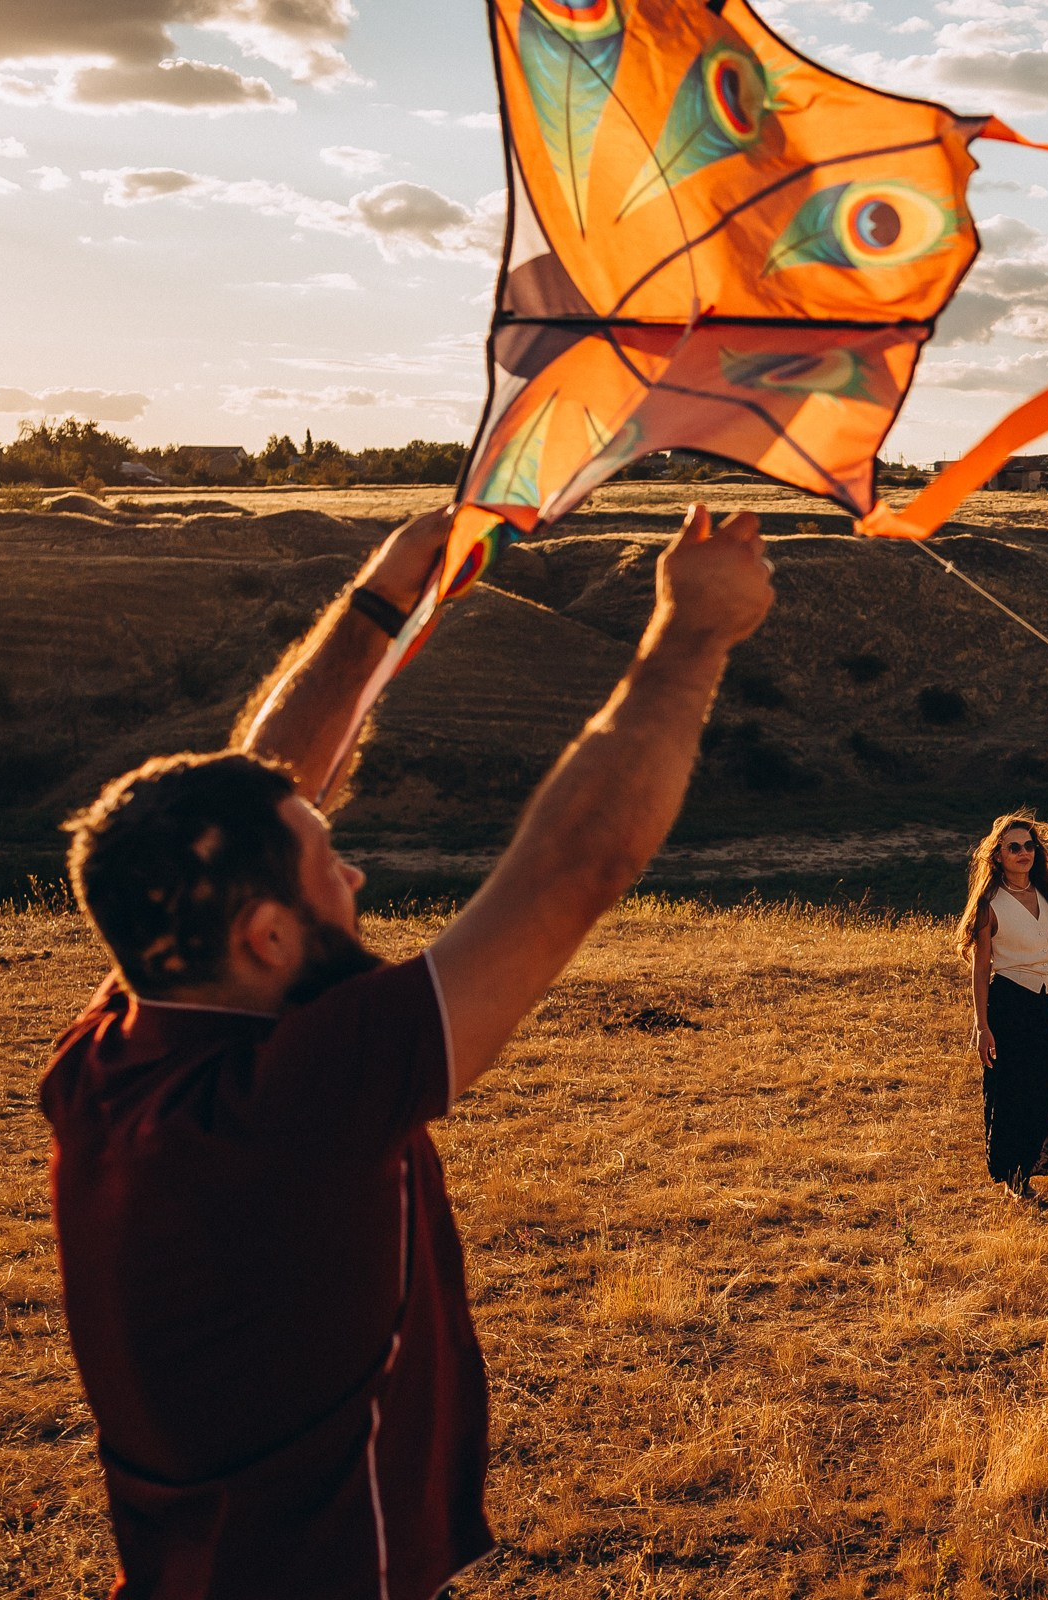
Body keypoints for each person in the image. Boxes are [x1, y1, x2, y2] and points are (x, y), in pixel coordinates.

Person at [39, 502, 775, 1599]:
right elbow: (579, 864)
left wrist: (386, 596)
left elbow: (259, 784)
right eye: (330, 863)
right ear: (264, 936)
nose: (356, 879)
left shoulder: (122, 1046)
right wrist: (692, 637)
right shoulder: (293, 1107)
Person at [959, 810, 1048, 1205]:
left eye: (1029, 846)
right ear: (997, 855)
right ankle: (1018, 1182)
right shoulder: (990, 903)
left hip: (1043, 1003)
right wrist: (982, 1025)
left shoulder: (1047, 896)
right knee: (1019, 1095)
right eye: (1013, 847)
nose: (1023, 853)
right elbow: (981, 970)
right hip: (1009, 1003)